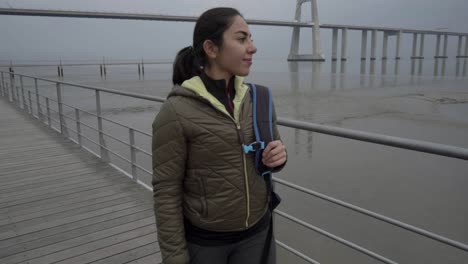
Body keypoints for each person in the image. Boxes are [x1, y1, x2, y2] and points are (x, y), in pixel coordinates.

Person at [152, 7, 287, 264]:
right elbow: (166, 192)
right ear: (211, 49)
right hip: (206, 244)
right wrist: (175, 258)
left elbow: (273, 154)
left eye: (251, 38)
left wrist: (279, 156)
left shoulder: (259, 99)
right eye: (241, 38)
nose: (252, 47)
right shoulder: (177, 110)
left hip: (258, 234)